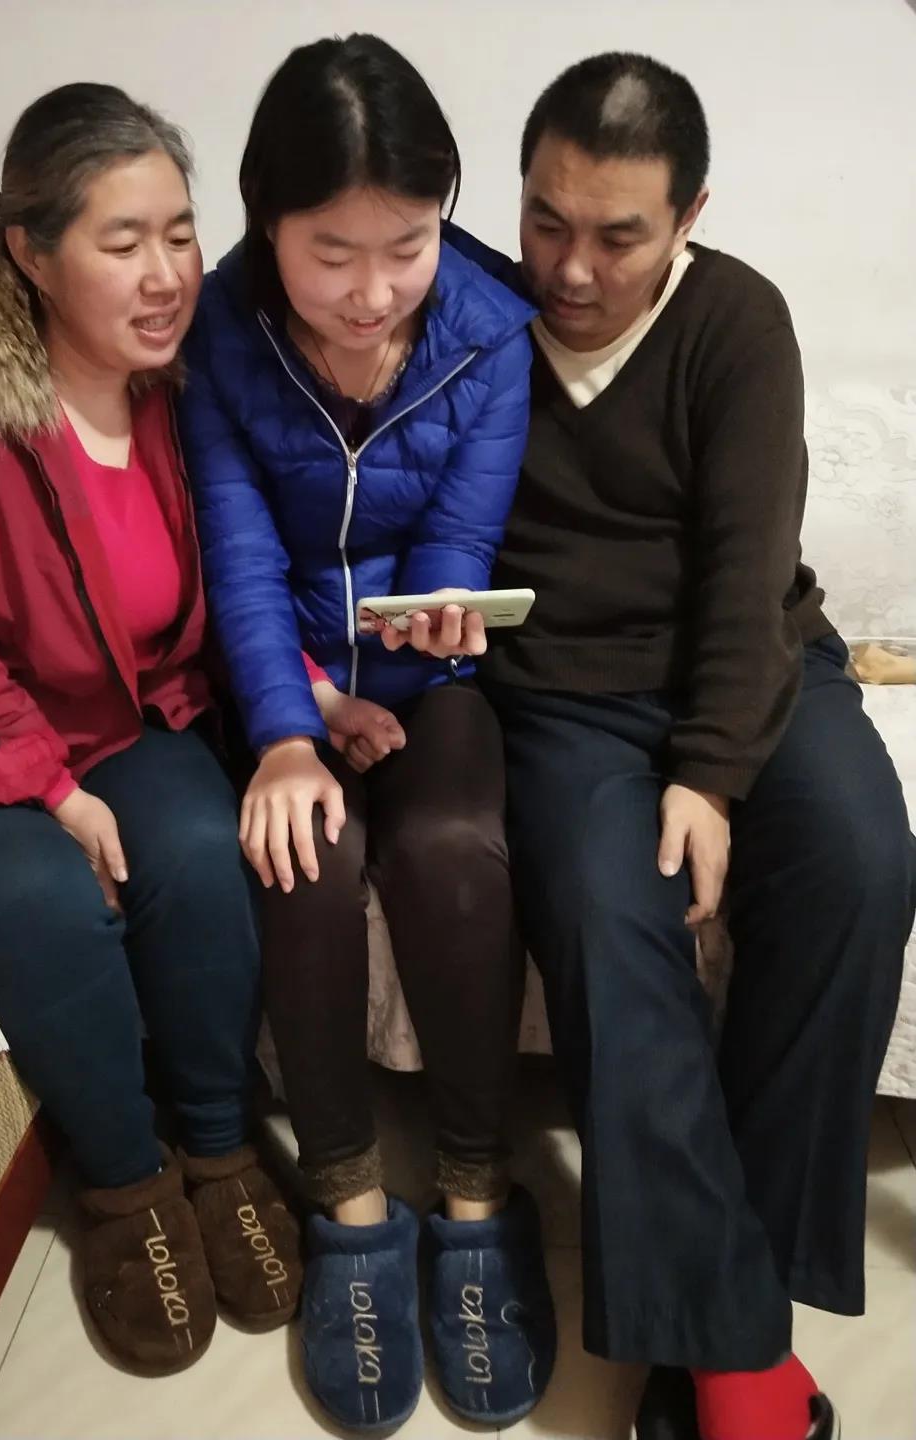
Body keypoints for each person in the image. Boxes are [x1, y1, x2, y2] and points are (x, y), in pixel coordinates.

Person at [462, 52, 914, 1440]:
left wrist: (710, 776)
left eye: (618, 236)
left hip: (751, 664)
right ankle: (736, 1362)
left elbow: (746, 572)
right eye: (545, 220)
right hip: (566, 700)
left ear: (689, 217)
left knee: (860, 864)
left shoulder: (736, 319)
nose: (572, 268)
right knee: (612, 920)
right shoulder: (472, 316)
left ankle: (725, 1303)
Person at [0, 82, 301, 1378]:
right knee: (49, 900)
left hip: (113, 719)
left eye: (181, 234)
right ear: (32, 257)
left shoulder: (183, 386)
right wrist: (49, 790)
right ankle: (126, 1185)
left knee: (198, 851)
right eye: (123, 241)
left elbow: (248, 569)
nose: (165, 274)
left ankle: (218, 1148)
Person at [178, 33, 556, 1434]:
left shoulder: (489, 332)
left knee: (454, 844)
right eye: (331, 251)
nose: (373, 290)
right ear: (267, 222)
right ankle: (347, 1202)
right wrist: (294, 726)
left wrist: (408, 659)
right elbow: (235, 553)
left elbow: (457, 542)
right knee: (304, 858)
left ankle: (475, 1193)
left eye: (407, 245)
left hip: (420, 680)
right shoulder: (221, 333)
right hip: (277, 674)